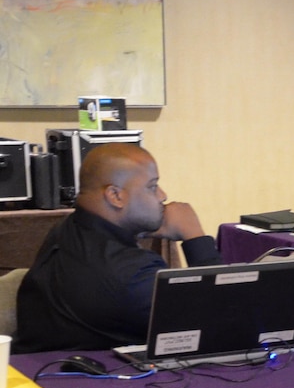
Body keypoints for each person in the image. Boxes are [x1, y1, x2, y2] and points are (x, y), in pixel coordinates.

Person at [14, 143, 223, 353]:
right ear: (115, 196)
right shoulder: (132, 273)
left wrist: (136, 231)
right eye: (152, 186)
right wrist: (195, 237)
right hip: (88, 381)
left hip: (34, 367)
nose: (162, 195)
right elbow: (222, 323)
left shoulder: (66, 229)